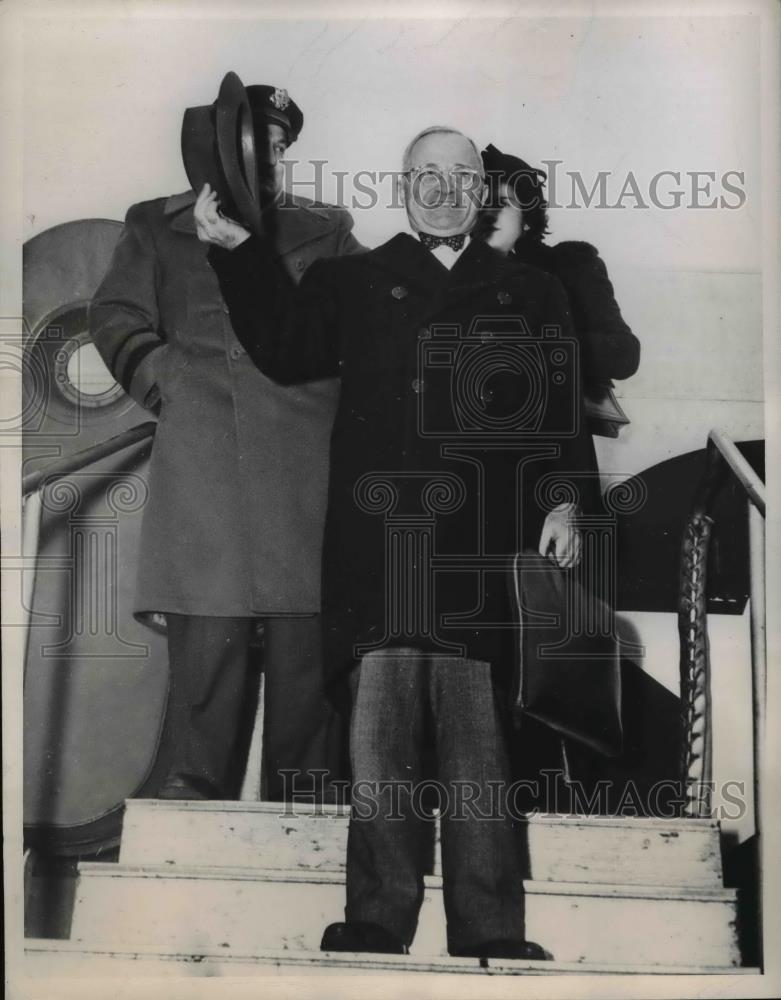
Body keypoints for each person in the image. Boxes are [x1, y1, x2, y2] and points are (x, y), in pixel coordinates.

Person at [195, 125, 593, 959]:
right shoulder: (351, 280)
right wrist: (237, 252)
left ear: (481, 192)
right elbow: (283, 349)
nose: (443, 190)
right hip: (377, 551)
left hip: (478, 553)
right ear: (404, 187)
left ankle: (490, 929)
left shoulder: (531, 291)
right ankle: (376, 918)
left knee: (480, 749)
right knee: (377, 745)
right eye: (425, 175)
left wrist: (563, 502)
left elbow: (557, 414)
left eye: (460, 176)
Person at [90, 84, 364, 802]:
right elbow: (115, 315)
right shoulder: (154, 224)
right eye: (255, 146)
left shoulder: (328, 228)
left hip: (304, 470)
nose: (268, 162)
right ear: (217, 148)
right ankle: (185, 819)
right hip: (205, 467)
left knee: (308, 673)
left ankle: (304, 821)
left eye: (279, 148)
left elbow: (364, 321)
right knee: (206, 664)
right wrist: (168, 383)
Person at [478, 143, 640, 402]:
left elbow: (625, 354)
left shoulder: (571, 266)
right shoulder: (450, 275)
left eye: (501, 203)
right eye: (478, 204)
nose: (487, 214)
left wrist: (537, 346)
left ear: (527, 219)